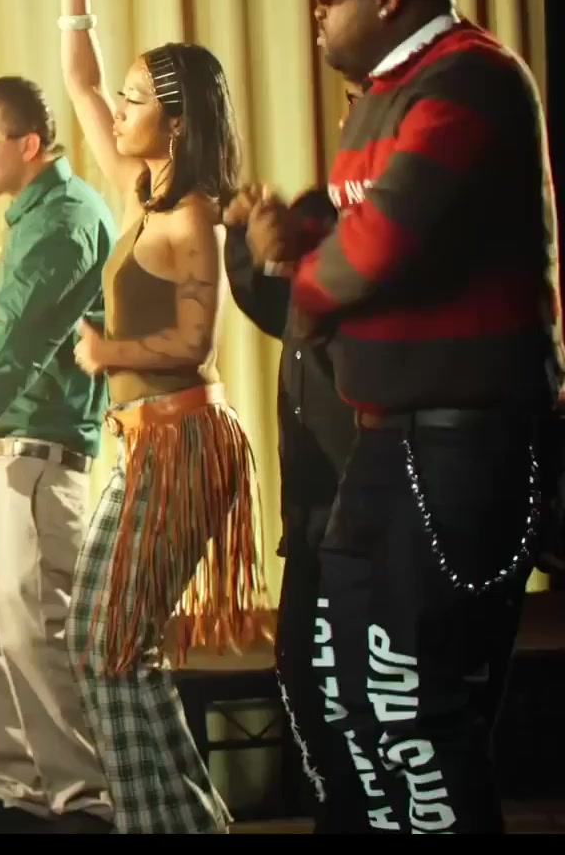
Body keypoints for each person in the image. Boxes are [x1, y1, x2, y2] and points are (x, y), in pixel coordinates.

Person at [241, 0, 564, 833]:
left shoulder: (471, 79)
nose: (317, 12)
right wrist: (297, 236)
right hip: (389, 439)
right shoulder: (384, 94)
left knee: (412, 703)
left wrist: (300, 276)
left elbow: (381, 246)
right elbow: (352, 235)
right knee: (351, 691)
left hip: (465, 440)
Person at [51, 0, 270, 834]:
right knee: (111, 645)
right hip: (148, 445)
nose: (120, 109)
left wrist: (108, 353)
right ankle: (186, 820)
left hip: (182, 444)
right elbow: (80, 81)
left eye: (138, 99)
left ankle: (166, 823)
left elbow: (193, 340)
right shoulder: (142, 192)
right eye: (128, 95)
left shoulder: (193, 218)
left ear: (176, 122)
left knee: (105, 644)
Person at [0, 77, 116, 830]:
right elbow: (8, 337)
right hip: (8, 450)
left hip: (41, 454)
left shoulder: (64, 221)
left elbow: (16, 343)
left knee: (35, 632)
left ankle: (84, 801)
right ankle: (20, 793)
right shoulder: (38, 216)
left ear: (29, 145)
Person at [221, 188, 362, 832]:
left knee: (350, 691)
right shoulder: (297, 305)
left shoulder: (354, 312)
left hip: (357, 530)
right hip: (308, 532)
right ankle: (335, 812)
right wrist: (239, 237)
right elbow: (260, 295)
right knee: (301, 678)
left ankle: (359, 814)